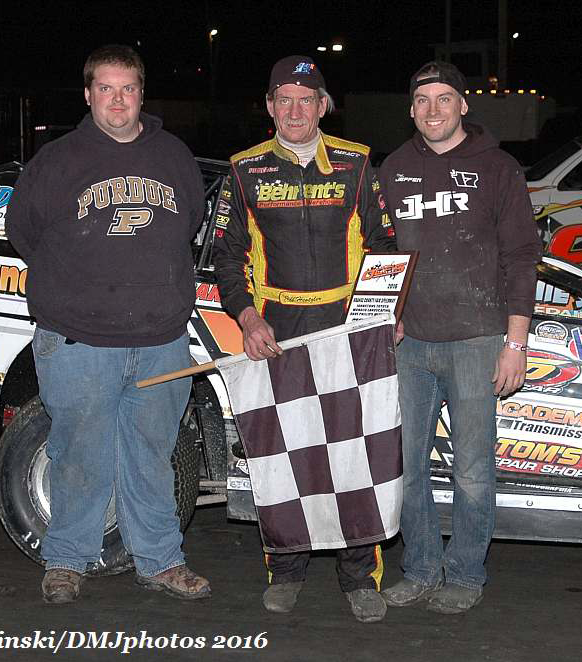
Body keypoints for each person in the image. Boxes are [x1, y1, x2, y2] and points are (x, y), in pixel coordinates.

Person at [5, 44, 210, 604]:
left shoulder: (173, 156)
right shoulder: (57, 160)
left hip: (162, 342)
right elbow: (22, 232)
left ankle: (161, 561)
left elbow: (189, 221)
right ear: (89, 93)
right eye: (106, 89)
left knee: (153, 455)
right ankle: (67, 561)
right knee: (77, 454)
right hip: (78, 342)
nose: (117, 100)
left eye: (128, 89)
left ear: (141, 94)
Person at [213, 55, 397, 623]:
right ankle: (286, 568)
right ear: (270, 107)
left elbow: (387, 245)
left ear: (324, 106)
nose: (295, 110)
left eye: (306, 99)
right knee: (283, 453)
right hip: (278, 331)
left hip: (348, 328)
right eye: (283, 99)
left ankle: (359, 576)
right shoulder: (244, 170)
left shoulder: (358, 162)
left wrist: (373, 317)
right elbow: (226, 255)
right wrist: (248, 318)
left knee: (353, 452)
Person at [378, 61, 541, 614]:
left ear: (463, 105)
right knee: (407, 466)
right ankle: (421, 567)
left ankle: (468, 573)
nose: (433, 110)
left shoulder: (498, 168)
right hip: (409, 346)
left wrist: (515, 342)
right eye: (422, 100)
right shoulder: (392, 169)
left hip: (477, 341)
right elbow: (380, 255)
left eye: (444, 98)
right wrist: (386, 311)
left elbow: (522, 257)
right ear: (411, 109)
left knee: (473, 469)